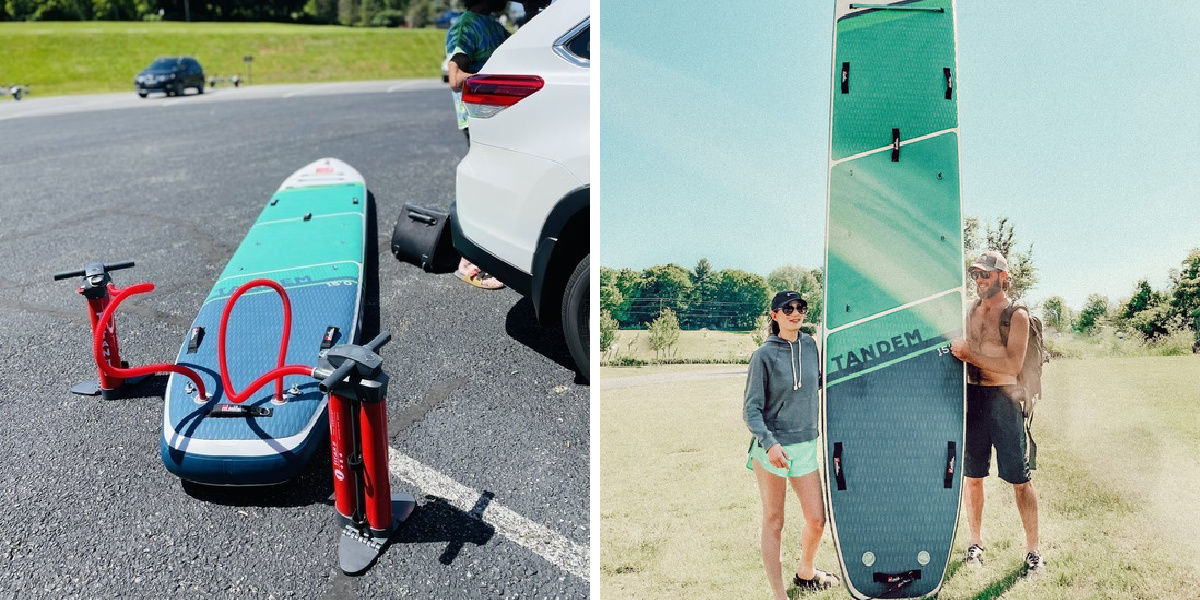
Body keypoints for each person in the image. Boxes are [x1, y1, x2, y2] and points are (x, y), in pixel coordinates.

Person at [949, 250, 1045, 578]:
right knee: (973, 478)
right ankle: (975, 543)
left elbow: (1011, 364)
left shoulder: (1015, 315)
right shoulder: (967, 312)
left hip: (1004, 402)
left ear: (1003, 277)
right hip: (972, 400)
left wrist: (970, 353)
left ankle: (1033, 552)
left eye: (986, 275)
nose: (979, 280)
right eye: (975, 274)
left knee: (1020, 480)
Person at [744, 291, 841, 598]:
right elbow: (750, 409)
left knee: (816, 519)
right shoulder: (763, 355)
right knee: (775, 521)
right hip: (773, 451)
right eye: (788, 309)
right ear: (775, 315)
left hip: (805, 447)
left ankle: (806, 572)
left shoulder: (811, 345)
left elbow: (818, 383)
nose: (796, 313)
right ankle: (778, 594)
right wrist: (770, 444)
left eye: (800, 308)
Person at [445, 0, 512, 290]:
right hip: (479, 119)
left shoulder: (496, 26)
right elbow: (455, 79)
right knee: (487, 186)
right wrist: (498, 83)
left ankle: (497, 254)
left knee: (504, 186)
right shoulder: (464, 26)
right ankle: (471, 262)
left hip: (503, 117)